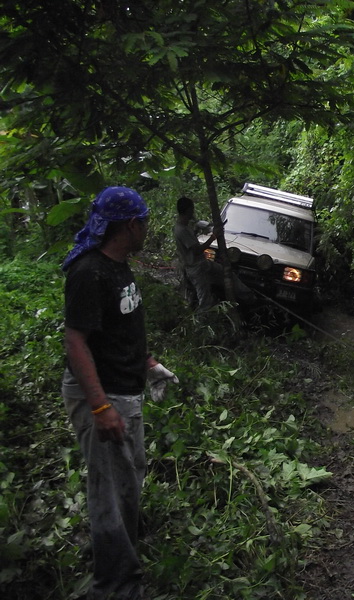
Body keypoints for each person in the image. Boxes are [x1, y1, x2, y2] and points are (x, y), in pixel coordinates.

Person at [61, 186, 179, 600]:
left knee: (130, 477)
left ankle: (124, 551)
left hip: (125, 391)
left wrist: (146, 362)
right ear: (130, 225)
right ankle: (115, 585)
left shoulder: (118, 267)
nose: (147, 228)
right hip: (106, 395)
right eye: (144, 222)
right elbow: (76, 342)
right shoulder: (89, 273)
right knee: (110, 491)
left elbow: (118, 326)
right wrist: (100, 406)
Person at [173, 195, 255, 309]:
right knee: (204, 299)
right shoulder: (181, 230)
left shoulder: (184, 227)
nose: (193, 212)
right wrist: (213, 236)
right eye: (192, 209)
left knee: (226, 273)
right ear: (188, 210)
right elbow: (196, 250)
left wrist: (197, 230)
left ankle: (248, 296)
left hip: (202, 264)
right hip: (196, 268)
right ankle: (202, 317)